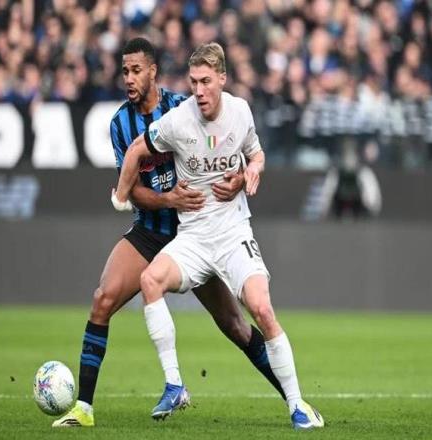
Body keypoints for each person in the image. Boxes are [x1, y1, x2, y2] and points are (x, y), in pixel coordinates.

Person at [53, 37, 286, 428]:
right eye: (124, 71)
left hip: (193, 232)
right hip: (150, 230)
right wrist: (168, 199)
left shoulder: (184, 107)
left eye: (136, 71)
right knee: (102, 300)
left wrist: (237, 178)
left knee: (235, 326)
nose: (129, 78)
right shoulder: (120, 124)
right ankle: (84, 409)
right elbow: (132, 190)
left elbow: (227, 155)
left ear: (153, 71)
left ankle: (293, 398)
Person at [112, 42, 324, 430]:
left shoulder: (240, 112)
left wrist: (249, 173)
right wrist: (121, 195)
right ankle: (174, 384)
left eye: (206, 81)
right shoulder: (178, 120)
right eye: (193, 82)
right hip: (193, 236)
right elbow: (136, 151)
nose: (199, 90)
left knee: (261, 310)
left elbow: (256, 154)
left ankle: (298, 406)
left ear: (222, 79)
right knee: (150, 280)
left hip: (232, 233)